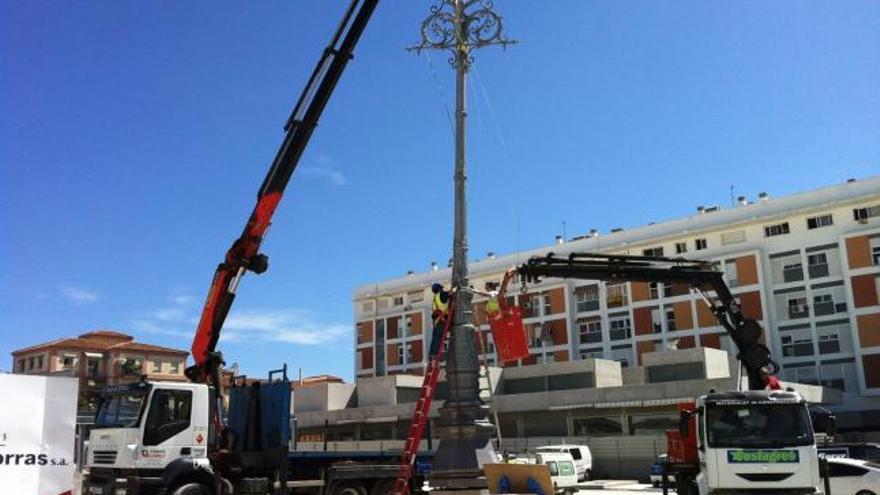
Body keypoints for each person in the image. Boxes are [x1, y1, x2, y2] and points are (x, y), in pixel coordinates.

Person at [428, 283, 451, 359]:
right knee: (439, 338)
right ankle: (436, 354)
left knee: (435, 338)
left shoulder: (435, 297)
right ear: (439, 289)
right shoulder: (442, 294)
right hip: (441, 319)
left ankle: (432, 354)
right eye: (441, 288)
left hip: (435, 319)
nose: (442, 289)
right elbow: (451, 293)